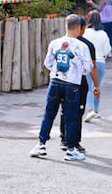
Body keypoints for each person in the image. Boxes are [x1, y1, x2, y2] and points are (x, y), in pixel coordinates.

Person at [29, 14, 93, 162]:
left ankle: (41, 144)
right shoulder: (82, 46)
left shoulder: (55, 43)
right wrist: (77, 73)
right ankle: (71, 150)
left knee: (49, 114)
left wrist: (57, 71)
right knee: (71, 117)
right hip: (73, 84)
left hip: (55, 81)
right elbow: (88, 67)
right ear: (78, 29)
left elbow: (47, 63)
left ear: (65, 27)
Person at [57, 16, 99, 154]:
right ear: (82, 28)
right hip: (80, 82)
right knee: (78, 112)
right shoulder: (87, 45)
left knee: (65, 110)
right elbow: (93, 67)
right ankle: (74, 142)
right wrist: (96, 86)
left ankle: (66, 140)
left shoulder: (61, 43)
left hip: (63, 80)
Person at [82, 10, 112, 122]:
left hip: (88, 63)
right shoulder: (103, 34)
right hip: (100, 63)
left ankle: (90, 111)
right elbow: (107, 50)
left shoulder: (85, 33)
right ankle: (97, 111)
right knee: (97, 86)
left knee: (89, 87)